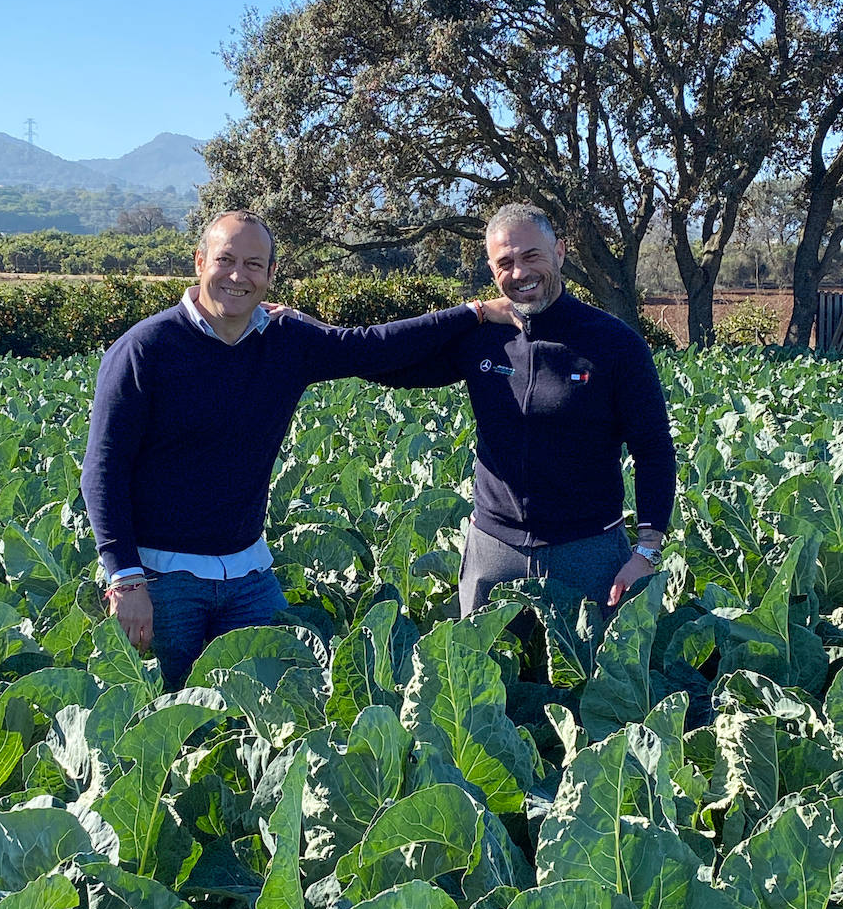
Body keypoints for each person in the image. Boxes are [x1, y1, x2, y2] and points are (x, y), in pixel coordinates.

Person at [80, 208, 520, 688]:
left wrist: (472, 314)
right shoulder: (145, 349)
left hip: (248, 573)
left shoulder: (286, 342)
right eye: (225, 259)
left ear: (271, 275)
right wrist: (125, 579)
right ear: (199, 260)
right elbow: (103, 471)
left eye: (253, 264)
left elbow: (370, 347)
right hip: (163, 579)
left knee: (279, 708)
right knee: (169, 721)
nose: (237, 275)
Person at [381, 201, 676, 624]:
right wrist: (470, 313)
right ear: (491, 268)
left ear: (560, 252)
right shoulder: (481, 339)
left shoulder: (614, 343)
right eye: (506, 262)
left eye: (532, 255)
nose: (520, 273)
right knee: (478, 684)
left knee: (588, 685)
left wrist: (646, 550)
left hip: (588, 553)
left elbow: (653, 449)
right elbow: (389, 364)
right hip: (493, 553)